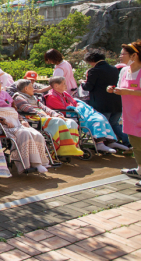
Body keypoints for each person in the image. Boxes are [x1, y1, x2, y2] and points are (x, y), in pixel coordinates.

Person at [0, 75, 50, 174]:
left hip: (15, 120)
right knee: (24, 134)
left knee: (37, 134)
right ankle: (32, 163)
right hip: (2, 124)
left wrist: (22, 120)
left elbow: (15, 110)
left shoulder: (6, 94)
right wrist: (4, 121)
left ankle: (41, 162)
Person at [45, 76, 122, 153]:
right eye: (64, 84)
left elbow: (74, 102)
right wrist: (76, 108)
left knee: (100, 117)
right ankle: (99, 143)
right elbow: (64, 110)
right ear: (56, 86)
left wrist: (79, 107)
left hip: (75, 113)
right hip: (69, 116)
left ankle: (110, 141)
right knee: (96, 120)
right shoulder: (51, 96)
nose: (66, 85)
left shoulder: (64, 93)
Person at [12, 79, 84, 158]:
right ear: (26, 88)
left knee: (71, 122)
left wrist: (56, 115)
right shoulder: (18, 97)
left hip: (44, 116)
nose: (33, 89)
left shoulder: (33, 97)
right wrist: (46, 116)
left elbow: (45, 108)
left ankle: (71, 147)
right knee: (58, 121)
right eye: (31, 87)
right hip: (34, 119)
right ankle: (61, 149)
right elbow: (29, 109)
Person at [110, 40, 141, 187]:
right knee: (135, 144)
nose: (121, 56)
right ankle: (140, 170)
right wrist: (113, 89)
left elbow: (130, 91)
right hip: (129, 114)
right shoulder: (123, 71)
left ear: (134, 55)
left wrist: (127, 91)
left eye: (124, 53)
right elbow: (121, 88)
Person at [82, 48, 127, 145]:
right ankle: (127, 142)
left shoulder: (94, 71)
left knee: (103, 124)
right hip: (116, 102)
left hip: (101, 103)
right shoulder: (115, 69)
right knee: (114, 124)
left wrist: (82, 83)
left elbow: (88, 87)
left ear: (91, 60)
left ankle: (104, 144)